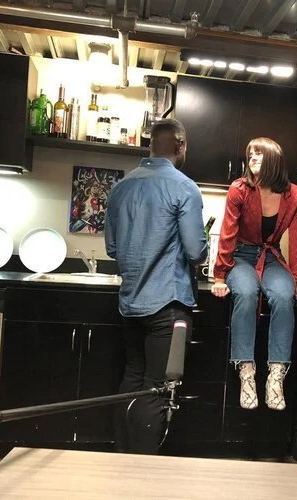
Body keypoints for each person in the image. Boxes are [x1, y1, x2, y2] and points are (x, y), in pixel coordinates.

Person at [104, 118, 207, 454]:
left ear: (150, 144)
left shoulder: (121, 187)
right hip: (168, 305)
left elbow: (112, 248)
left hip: (130, 304)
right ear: (180, 145)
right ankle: (143, 470)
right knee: (157, 388)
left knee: (132, 378)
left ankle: (123, 458)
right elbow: (195, 251)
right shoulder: (184, 187)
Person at [211, 137, 297, 411]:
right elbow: (228, 233)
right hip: (241, 255)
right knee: (246, 292)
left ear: (274, 160)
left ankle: (276, 377)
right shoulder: (239, 189)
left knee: (284, 295)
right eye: (250, 154)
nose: (252, 158)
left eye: (259, 154)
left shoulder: (295, 195)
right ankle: (246, 373)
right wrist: (220, 275)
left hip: (272, 256)